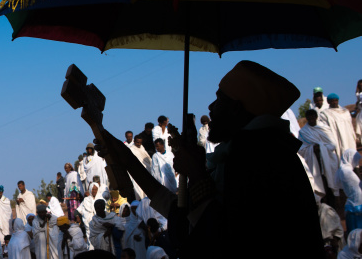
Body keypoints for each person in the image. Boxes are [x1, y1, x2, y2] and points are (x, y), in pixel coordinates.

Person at [93, 60, 325, 258]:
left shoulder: (260, 159)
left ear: (236, 108)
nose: (211, 107)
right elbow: (184, 214)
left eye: (219, 99)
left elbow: (217, 237)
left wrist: (196, 173)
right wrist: (128, 160)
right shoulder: (245, 153)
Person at [298, 109, 340, 200]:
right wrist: (312, 148)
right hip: (314, 160)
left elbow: (332, 144)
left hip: (327, 159)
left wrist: (321, 147)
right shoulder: (303, 132)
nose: (311, 120)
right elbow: (301, 149)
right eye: (309, 119)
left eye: (313, 118)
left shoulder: (324, 128)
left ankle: (335, 199)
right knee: (320, 182)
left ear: (316, 117)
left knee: (330, 178)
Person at [320, 93, 358, 157]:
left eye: (336, 100)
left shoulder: (345, 111)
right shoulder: (325, 114)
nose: (334, 102)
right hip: (337, 138)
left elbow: (350, 126)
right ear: (328, 102)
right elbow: (325, 130)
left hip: (348, 137)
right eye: (332, 101)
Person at [336, 148, 362, 233]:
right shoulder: (346, 172)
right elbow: (356, 189)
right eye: (355, 160)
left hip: (354, 205)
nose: (356, 163)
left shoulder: (344, 170)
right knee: (356, 234)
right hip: (354, 207)